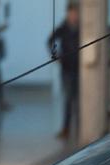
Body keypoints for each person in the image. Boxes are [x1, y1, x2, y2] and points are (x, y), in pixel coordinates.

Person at [47, 3, 79, 140]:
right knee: (68, 99)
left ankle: (79, 128)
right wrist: (56, 56)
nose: (73, 16)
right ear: (68, 14)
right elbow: (49, 41)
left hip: (79, 69)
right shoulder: (62, 27)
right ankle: (66, 128)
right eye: (71, 13)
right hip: (66, 68)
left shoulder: (81, 28)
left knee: (79, 100)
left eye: (75, 13)